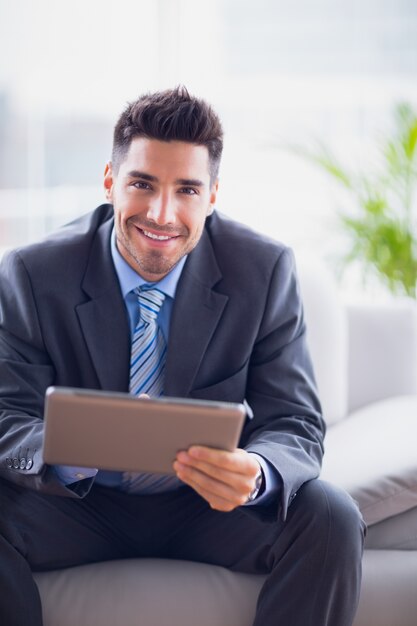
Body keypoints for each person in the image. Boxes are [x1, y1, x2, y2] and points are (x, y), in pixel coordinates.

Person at [0, 86, 365, 626]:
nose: (162, 213)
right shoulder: (32, 274)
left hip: (210, 508)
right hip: (77, 503)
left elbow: (295, 420)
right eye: (142, 184)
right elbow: (8, 416)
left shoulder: (263, 273)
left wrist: (256, 471)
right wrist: (64, 449)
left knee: (330, 514)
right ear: (110, 182)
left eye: (187, 190)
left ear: (213, 195)